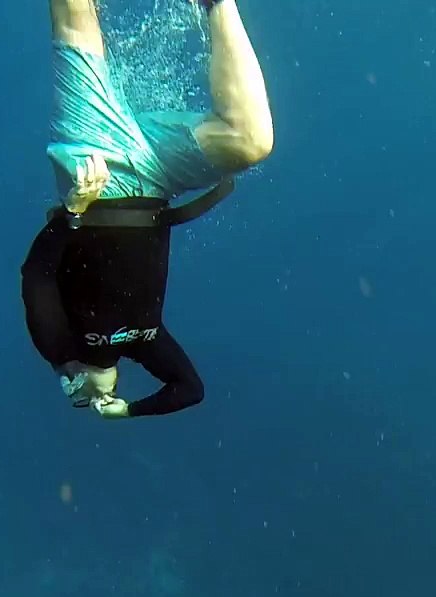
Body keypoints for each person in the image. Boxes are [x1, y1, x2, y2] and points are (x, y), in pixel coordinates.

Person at [20, 0, 273, 420]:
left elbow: (36, 274)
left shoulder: (60, 344)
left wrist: (74, 210)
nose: (91, 399)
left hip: (97, 169)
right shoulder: (145, 343)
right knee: (252, 141)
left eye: (82, 399)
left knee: (74, 18)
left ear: (70, 383)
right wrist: (127, 411)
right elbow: (189, 390)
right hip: (158, 179)